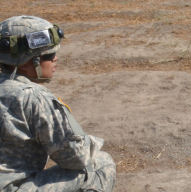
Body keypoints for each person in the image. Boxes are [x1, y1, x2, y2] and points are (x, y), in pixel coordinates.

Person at [0, 16, 116, 192]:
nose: (55, 59)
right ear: (25, 63)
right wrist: (90, 143)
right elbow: (75, 157)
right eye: (49, 55)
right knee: (100, 163)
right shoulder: (32, 97)